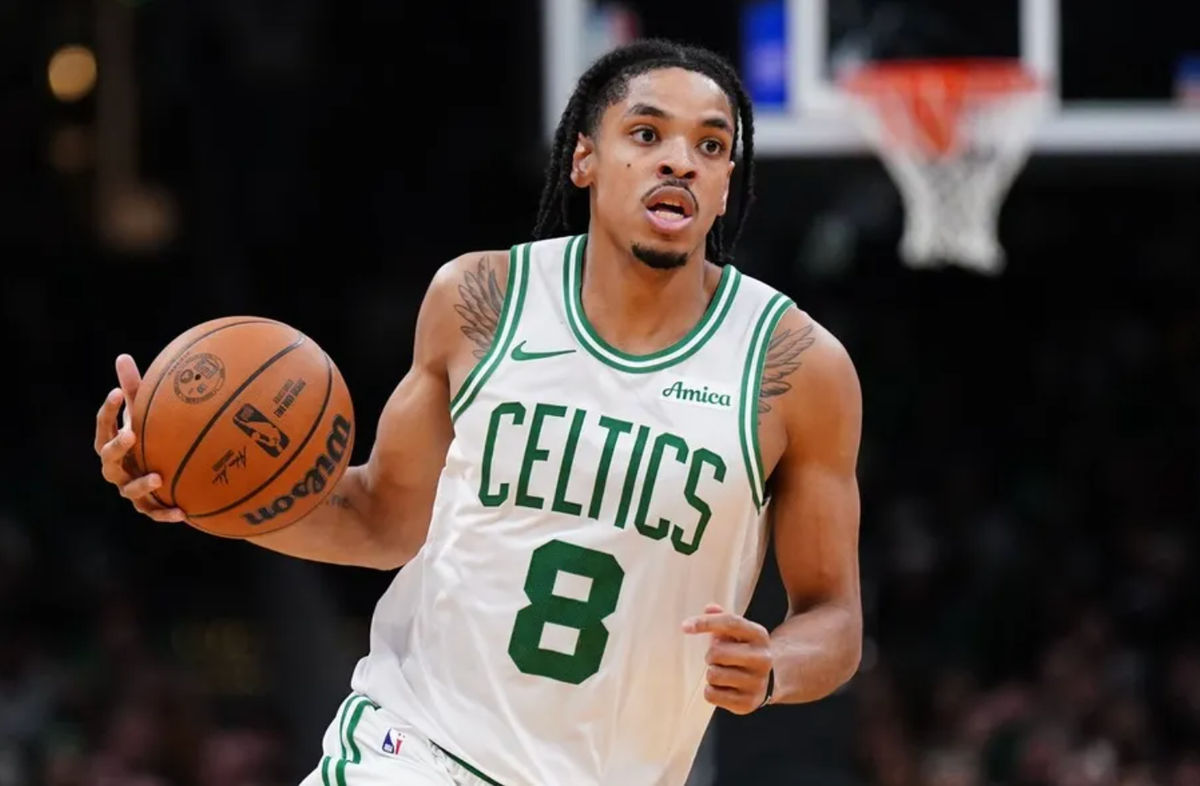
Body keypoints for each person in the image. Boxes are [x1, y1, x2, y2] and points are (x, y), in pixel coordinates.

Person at [94, 39, 863, 786]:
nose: (678, 160)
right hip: (416, 747)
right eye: (646, 132)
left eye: (711, 145)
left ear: (726, 184)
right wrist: (195, 492)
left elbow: (833, 621)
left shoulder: (797, 368)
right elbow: (381, 521)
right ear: (584, 159)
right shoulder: (479, 303)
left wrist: (773, 669)